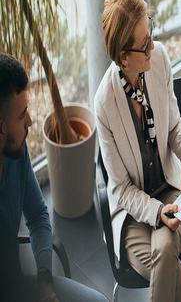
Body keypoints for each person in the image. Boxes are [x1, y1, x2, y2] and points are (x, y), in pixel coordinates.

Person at [94, 0, 181, 302]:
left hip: (170, 187)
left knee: (164, 251)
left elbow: (173, 125)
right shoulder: (105, 104)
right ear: (123, 57)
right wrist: (158, 213)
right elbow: (120, 189)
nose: (153, 47)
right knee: (168, 258)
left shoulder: (160, 61)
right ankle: (170, 241)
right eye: (144, 45)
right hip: (132, 213)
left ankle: (169, 239)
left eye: (150, 33)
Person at [0, 53, 108, 302]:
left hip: (20, 287)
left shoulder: (17, 154)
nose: (30, 121)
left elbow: (37, 217)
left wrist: (45, 282)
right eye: (21, 115)